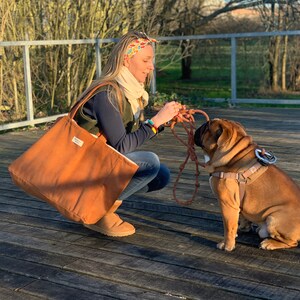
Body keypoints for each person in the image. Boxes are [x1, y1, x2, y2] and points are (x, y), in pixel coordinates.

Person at [75, 30, 183, 237]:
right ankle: (97, 210)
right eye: (146, 60)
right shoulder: (107, 94)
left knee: (160, 176)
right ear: (126, 60)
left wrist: (161, 123)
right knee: (149, 162)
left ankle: (99, 203)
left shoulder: (127, 91)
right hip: (80, 169)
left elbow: (125, 141)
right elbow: (122, 147)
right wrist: (156, 121)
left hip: (98, 162)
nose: (152, 67)